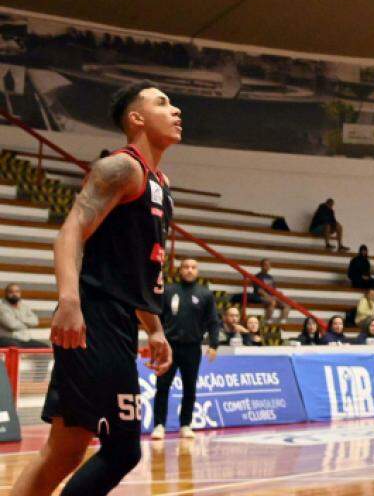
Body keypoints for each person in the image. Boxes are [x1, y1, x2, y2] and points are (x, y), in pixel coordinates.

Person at [13, 81, 176, 496]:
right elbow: (70, 232)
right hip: (95, 318)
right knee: (122, 451)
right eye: (163, 103)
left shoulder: (160, 182)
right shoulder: (121, 168)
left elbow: (135, 267)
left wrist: (154, 328)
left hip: (119, 320)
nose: (175, 110)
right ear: (136, 119)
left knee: (65, 452)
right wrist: (69, 302)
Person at [151, 258, 219, 440]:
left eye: (193, 267)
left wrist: (214, 344)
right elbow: (156, 317)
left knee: (190, 388)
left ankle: (185, 425)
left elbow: (213, 321)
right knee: (162, 386)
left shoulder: (205, 294)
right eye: (186, 267)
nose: (189, 270)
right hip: (169, 347)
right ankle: (158, 425)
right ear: (179, 270)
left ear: (197, 271)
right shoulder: (168, 291)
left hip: (192, 348)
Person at [1, 283, 48, 348]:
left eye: (17, 292)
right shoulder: (2, 306)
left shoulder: (24, 306)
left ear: (20, 293)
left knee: (45, 348)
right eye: (11, 292)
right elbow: (12, 325)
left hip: (24, 339)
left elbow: (35, 321)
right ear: (6, 293)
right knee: (15, 348)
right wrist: (27, 324)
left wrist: (18, 318)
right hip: (7, 338)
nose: (14, 294)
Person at [248, 259, 288, 326]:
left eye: (269, 265)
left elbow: (274, 289)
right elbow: (259, 290)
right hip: (260, 296)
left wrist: (278, 294)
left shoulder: (270, 277)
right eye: (266, 265)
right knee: (272, 302)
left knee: (286, 304)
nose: (268, 266)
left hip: (271, 296)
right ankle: (268, 320)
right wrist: (269, 297)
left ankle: (281, 321)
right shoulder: (257, 276)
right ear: (261, 266)